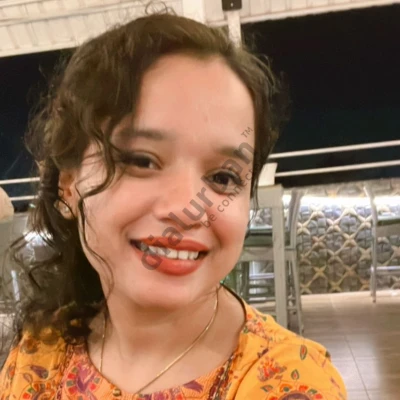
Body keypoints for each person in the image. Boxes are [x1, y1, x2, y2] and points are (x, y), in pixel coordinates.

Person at [0, 8, 347, 400]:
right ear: (68, 186)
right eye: (141, 160)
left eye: (223, 178)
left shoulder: (288, 382)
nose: (186, 207)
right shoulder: (39, 354)